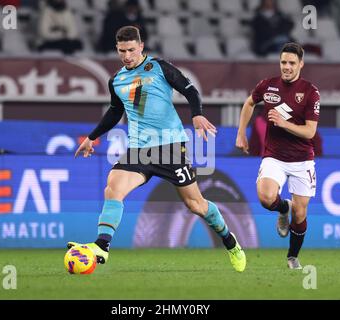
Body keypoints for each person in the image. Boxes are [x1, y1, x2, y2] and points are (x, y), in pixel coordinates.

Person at [68, 26, 246, 272]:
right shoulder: (117, 80)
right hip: (139, 149)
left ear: (141, 47)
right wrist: (92, 137)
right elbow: (115, 111)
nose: (127, 55)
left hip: (170, 148)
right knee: (113, 186)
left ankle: (229, 241)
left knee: (195, 205)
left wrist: (197, 116)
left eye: (131, 50)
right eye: (122, 51)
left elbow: (190, 90)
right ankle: (102, 246)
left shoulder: (159, 68)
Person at [236, 42, 320, 269]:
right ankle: (283, 208)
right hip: (274, 156)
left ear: (301, 64)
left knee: (300, 213)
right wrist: (241, 132)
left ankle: (292, 256)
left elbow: (310, 132)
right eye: (284, 62)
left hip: (302, 159)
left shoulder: (311, 92)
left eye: (292, 63)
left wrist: (284, 124)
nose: (287, 67)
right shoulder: (268, 86)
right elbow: (249, 103)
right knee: (265, 197)